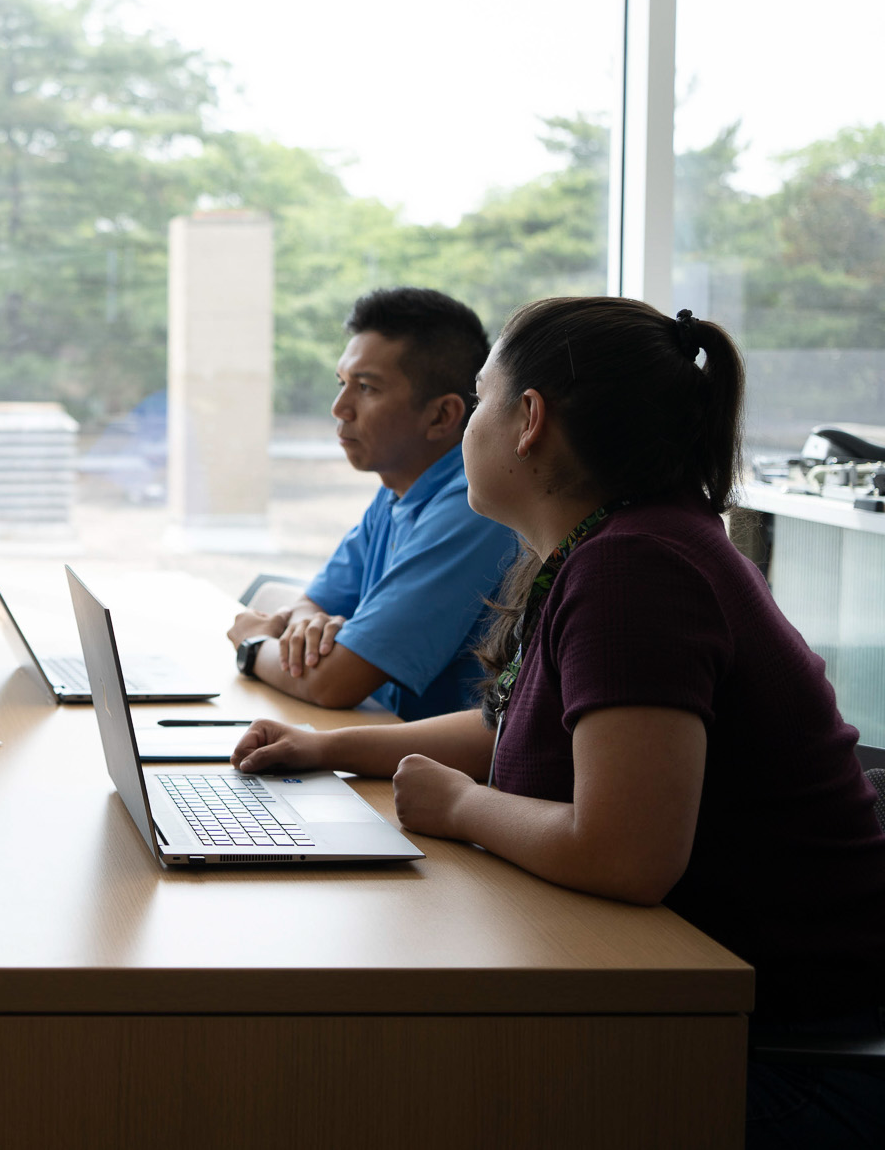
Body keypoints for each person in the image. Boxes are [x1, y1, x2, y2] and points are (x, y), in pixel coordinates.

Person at [232, 296, 885, 1147]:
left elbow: (627, 854)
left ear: (528, 420)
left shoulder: (636, 571)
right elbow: (514, 728)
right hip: (715, 1017)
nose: (467, 423)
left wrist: (460, 808)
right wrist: (330, 747)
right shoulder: (608, 548)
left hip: (775, 1058)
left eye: (482, 396)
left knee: (371, 1092)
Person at [225, 288, 517, 718]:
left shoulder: (473, 506)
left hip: (443, 772)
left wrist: (252, 644)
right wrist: (307, 626)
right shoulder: (397, 491)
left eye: (366, 388)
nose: (339, 408)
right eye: (342, 384)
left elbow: (335, 682)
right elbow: (315, 604)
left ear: (441, 416)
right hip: (384, 745)